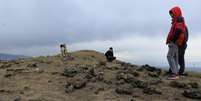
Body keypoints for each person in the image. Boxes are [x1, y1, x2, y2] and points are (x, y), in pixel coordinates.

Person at [166, 6, 187, 80]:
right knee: (175, 58)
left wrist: (172, 39)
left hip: (175, 43)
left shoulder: (179, 20)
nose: (171, 15)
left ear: (176, 12)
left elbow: (178, 31)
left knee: (170, 56)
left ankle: (175, 74)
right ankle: (176, 73)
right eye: (170, 14)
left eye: (172, 13)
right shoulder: (177, 21)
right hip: (176, 43)